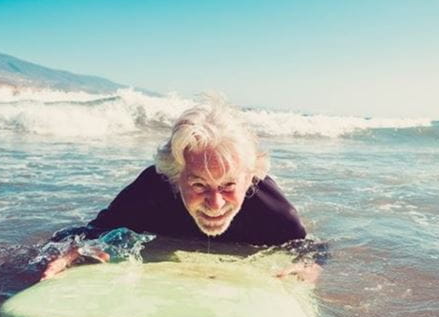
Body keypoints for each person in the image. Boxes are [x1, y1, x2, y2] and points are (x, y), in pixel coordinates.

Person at [40, 97, 320, 282]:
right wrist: (73, 250)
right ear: (175, 177)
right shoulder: (151, 191)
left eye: (228, 185)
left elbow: (311, 249)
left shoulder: (275, 215)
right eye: (199, 184)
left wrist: (308, 267)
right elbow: (91, 231)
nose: (215, 203)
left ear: (250, 178)